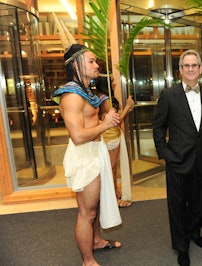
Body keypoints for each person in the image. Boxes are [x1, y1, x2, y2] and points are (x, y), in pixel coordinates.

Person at [52, 44, 122, 266]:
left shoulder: (85, 91)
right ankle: (88, 260)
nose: (96, 65)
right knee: (87, 212)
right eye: (91, 61)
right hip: (84, 156)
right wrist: (106, 123)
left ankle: (96, 240)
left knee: (96, 205)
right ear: (76, 64)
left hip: (95, 151)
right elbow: (78, 137)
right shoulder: (72, 95)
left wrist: (103, 123)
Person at [153, 49, 202, 266]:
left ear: (200, 69)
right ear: (180, 70)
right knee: (178, 205)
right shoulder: (168, 95)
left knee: (199, 201)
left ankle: (194, 233)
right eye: (186, 65)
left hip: (200, 159)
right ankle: (181, 246)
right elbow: (158, 128)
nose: (191, 69)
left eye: (194, 65)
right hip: (177, 161)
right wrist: (167, 155)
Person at [96, 75, 135, 208]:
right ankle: (113, 197)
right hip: (110, 137)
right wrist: (127, 108)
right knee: (111, 168)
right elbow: (115, 121)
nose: (114, 83)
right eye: (112, 81)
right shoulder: (105, 100)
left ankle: (115, 191)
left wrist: (127, 109)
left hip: (113, 135)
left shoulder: (104, 98)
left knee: (112, 168)